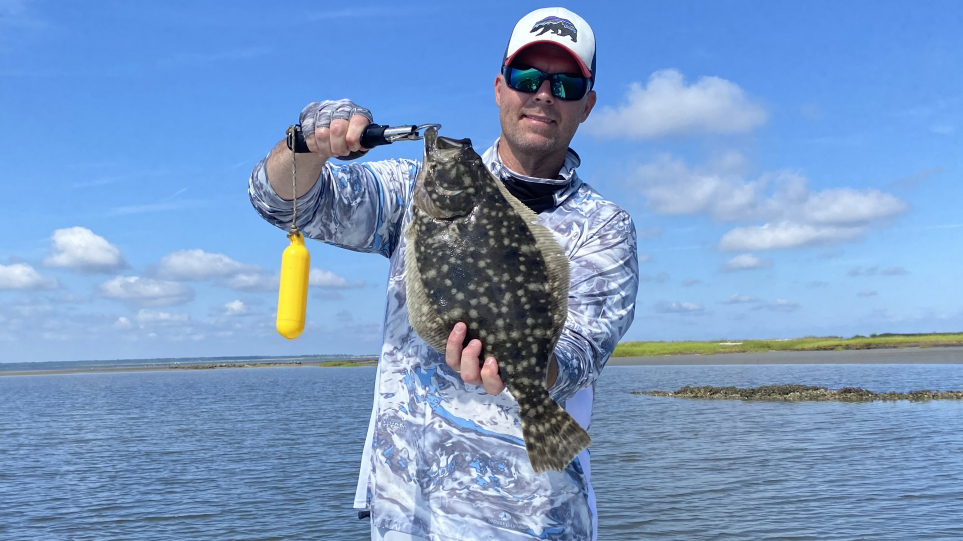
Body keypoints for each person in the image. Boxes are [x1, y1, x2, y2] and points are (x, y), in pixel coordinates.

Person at [249, 7, 638, 540]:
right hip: (407, 516)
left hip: (536, 523)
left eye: (565, 84)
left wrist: (521, 368)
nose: (543, 94)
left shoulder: (606, 227)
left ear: (587, 106)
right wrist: (306, 142)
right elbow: (283, 201)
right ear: (500, 88)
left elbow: (578, 356)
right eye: (527, 78)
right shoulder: (412, 193)